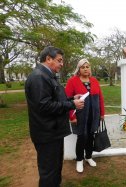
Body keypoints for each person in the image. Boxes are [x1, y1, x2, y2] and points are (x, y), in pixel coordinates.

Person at [25, 46, 84, 187]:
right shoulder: (39, 77)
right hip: (47, 134)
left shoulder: (47, 75)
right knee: (49, 171)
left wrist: (71, 99)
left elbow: (54, 99)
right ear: (48, 59)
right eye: (59, 60)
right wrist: (72, 105)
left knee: (56, 167)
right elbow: (44, 106)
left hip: (53, 132)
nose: (62, 64)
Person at [65, 58, 105, 173]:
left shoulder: (94, 81)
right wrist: (72, 117)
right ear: (79, 69)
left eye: (87, 67)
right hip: (80, 115)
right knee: (82, 137)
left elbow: (100, 98)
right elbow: (67, 100)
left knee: (91, 136)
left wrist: (102, 113)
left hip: (94, 115)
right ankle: (79, 160)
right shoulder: (72, 81)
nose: (86, 69)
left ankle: (88, 157)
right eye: (83, 67)